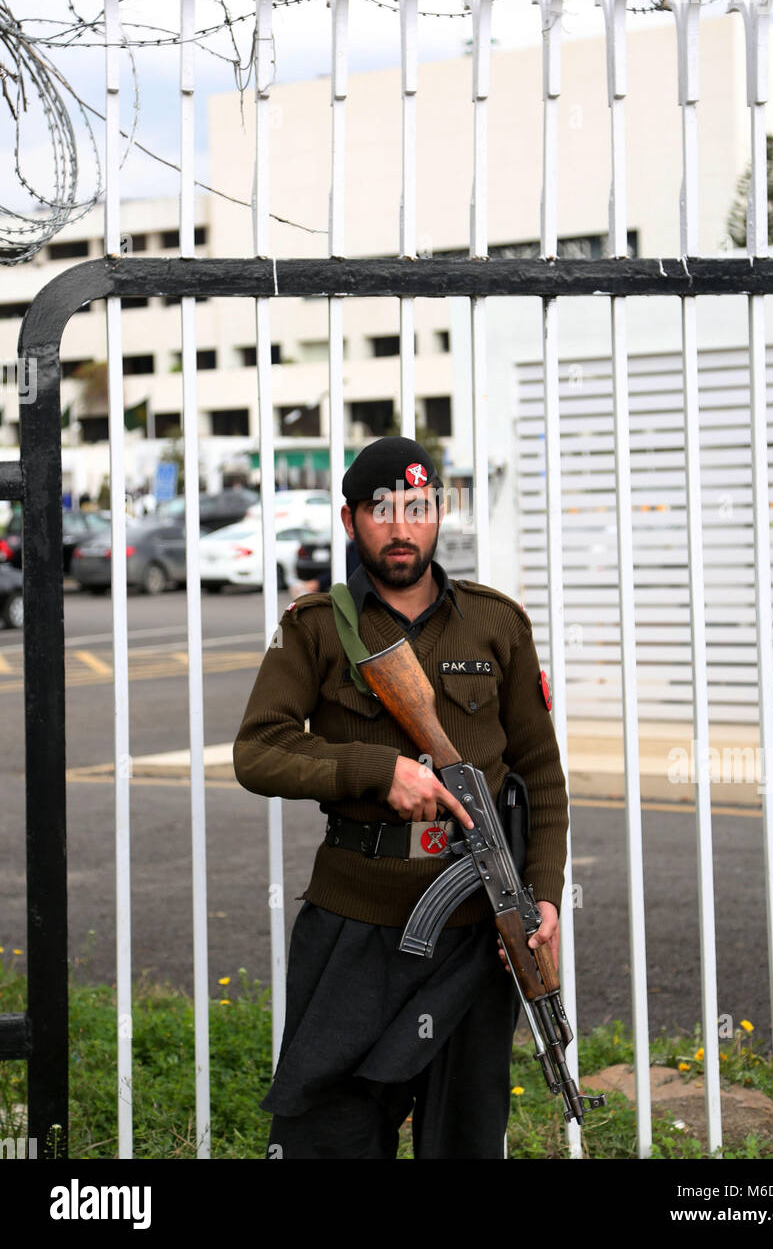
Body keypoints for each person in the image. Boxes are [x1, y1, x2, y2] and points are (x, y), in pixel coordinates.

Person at [233, 435, 568, 1159]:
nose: (400, 526)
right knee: (330, 1133)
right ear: (350, 519)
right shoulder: (317, 627)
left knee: (464, 1140)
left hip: (476, 928)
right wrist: (372, 771)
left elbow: (539, 772)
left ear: (438, 514)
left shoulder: (495, 622)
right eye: (381, 509)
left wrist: (542, 896)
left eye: (418, 508)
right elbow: (258, 751)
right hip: (352, 927)